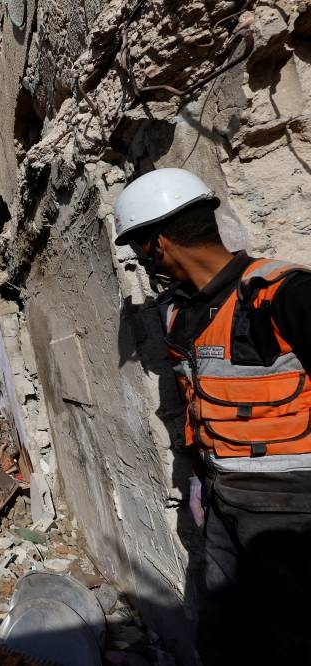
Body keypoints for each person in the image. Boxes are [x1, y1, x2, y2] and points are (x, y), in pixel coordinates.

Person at [114, 167, 311, 664]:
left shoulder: (281, 293)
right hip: (224, 500)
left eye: (140, 251)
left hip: (293, 509)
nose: (145, 264)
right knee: (224, 637)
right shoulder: (181, 313)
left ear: (159, 243)